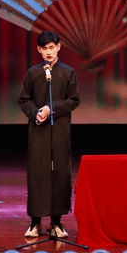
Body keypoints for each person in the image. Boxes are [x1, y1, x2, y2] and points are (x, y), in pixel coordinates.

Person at [18, 31, 80, 238]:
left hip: (60, 131)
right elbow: (23, 100)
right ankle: (35, 222)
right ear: (39, 50)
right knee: (38, 174)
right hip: (38, 132)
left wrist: (52, 108)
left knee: (60, 174)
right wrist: (36, 112)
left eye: (52, 47)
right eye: (44, 48)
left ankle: (57, 222)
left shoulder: (68, 72)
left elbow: (73, 100)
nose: (48, 52)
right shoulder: (33, 73)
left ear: (59, 47)